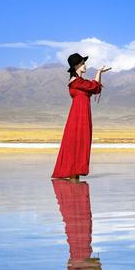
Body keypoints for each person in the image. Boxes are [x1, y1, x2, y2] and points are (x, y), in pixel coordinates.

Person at [51, 53, 111, 181]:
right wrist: (99, 72)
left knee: (81, 142)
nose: (85, 65)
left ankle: (75, 174)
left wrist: (99, 73)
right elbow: (94, 86)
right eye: (83, 63)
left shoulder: (81, 82)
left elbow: (95, 90)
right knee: (76, 143)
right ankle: (74, 175)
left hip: (82, 115)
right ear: (77, 66)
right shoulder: (76, 82)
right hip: (78, 117)